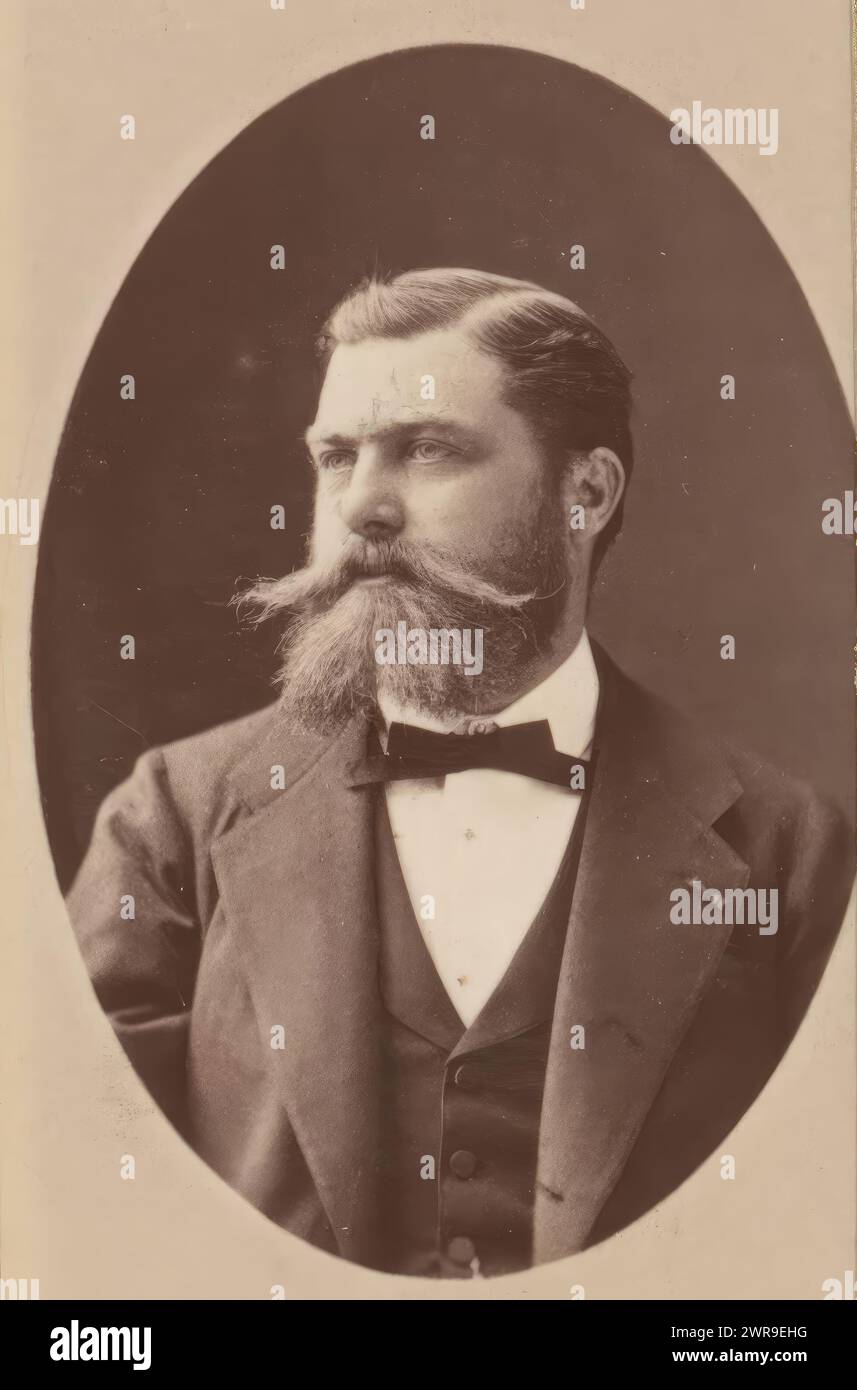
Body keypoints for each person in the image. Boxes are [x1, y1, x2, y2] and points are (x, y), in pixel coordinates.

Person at [66, 268, 853, 1278]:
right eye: (334, 456)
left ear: (586, 491)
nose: (361, 508)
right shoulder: (171, 818)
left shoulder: (786, 850)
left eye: (428, 450)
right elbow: (85, 1203)